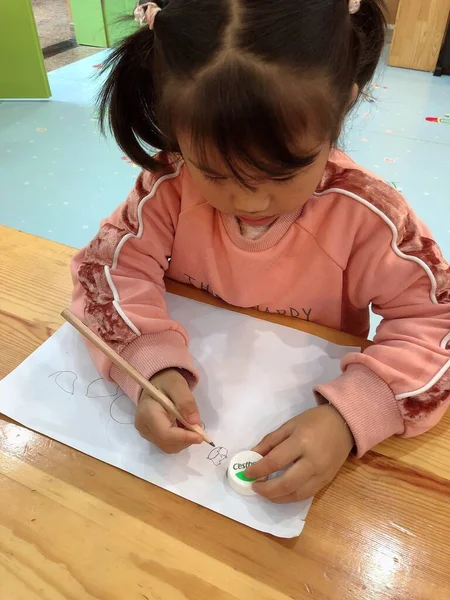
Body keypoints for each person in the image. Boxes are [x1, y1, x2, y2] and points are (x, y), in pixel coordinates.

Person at [71, 0, 450, 504]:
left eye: (282, 172)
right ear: (177, 129)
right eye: (215, 171)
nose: (249, 201)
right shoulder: (171, 183)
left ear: (341, 109)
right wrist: (149, 365)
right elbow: (109, 270)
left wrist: (352, 415)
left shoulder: (368, 215)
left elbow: (436, 321)